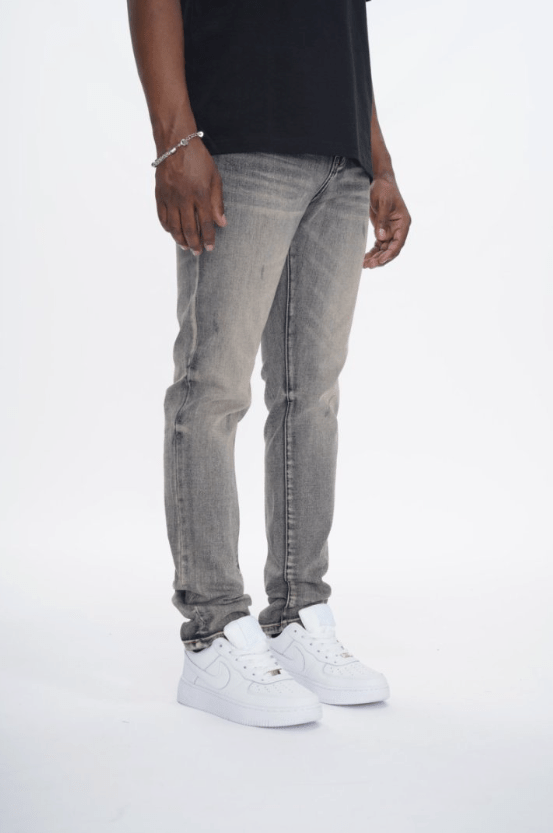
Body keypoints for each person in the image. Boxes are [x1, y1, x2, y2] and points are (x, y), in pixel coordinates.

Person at [126, 0, 411, 728]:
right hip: (240, 140)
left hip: (340, 157)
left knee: (311, 395)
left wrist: (378, 162)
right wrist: (175, 140)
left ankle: (296, 612)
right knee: (212, 389)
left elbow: (344, 27)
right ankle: (213, 629)